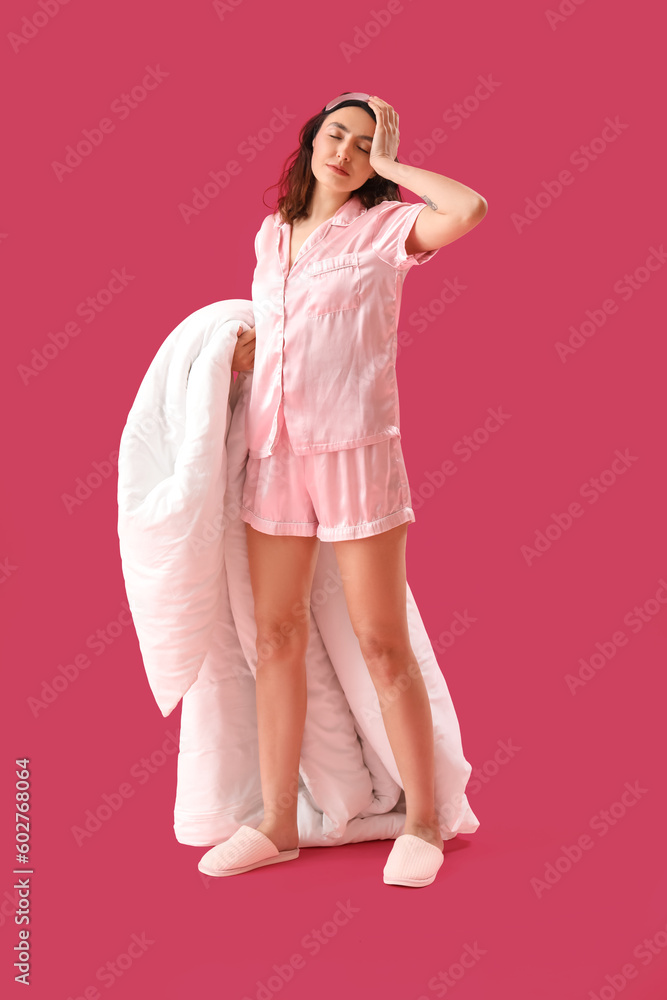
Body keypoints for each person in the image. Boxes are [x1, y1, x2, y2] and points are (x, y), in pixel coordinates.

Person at [199, 92, 487, 886]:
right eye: (336, 133)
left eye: (365, 144)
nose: (345, 151)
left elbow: (468, 208)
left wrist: (394, 170)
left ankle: (424, 823)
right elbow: (281, 341)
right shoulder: (269, 237)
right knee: (275, 637)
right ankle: (277, 824)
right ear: (310, 139)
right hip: (274, 456)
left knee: (382, 641)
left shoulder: (385, 230)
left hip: (355, 454)